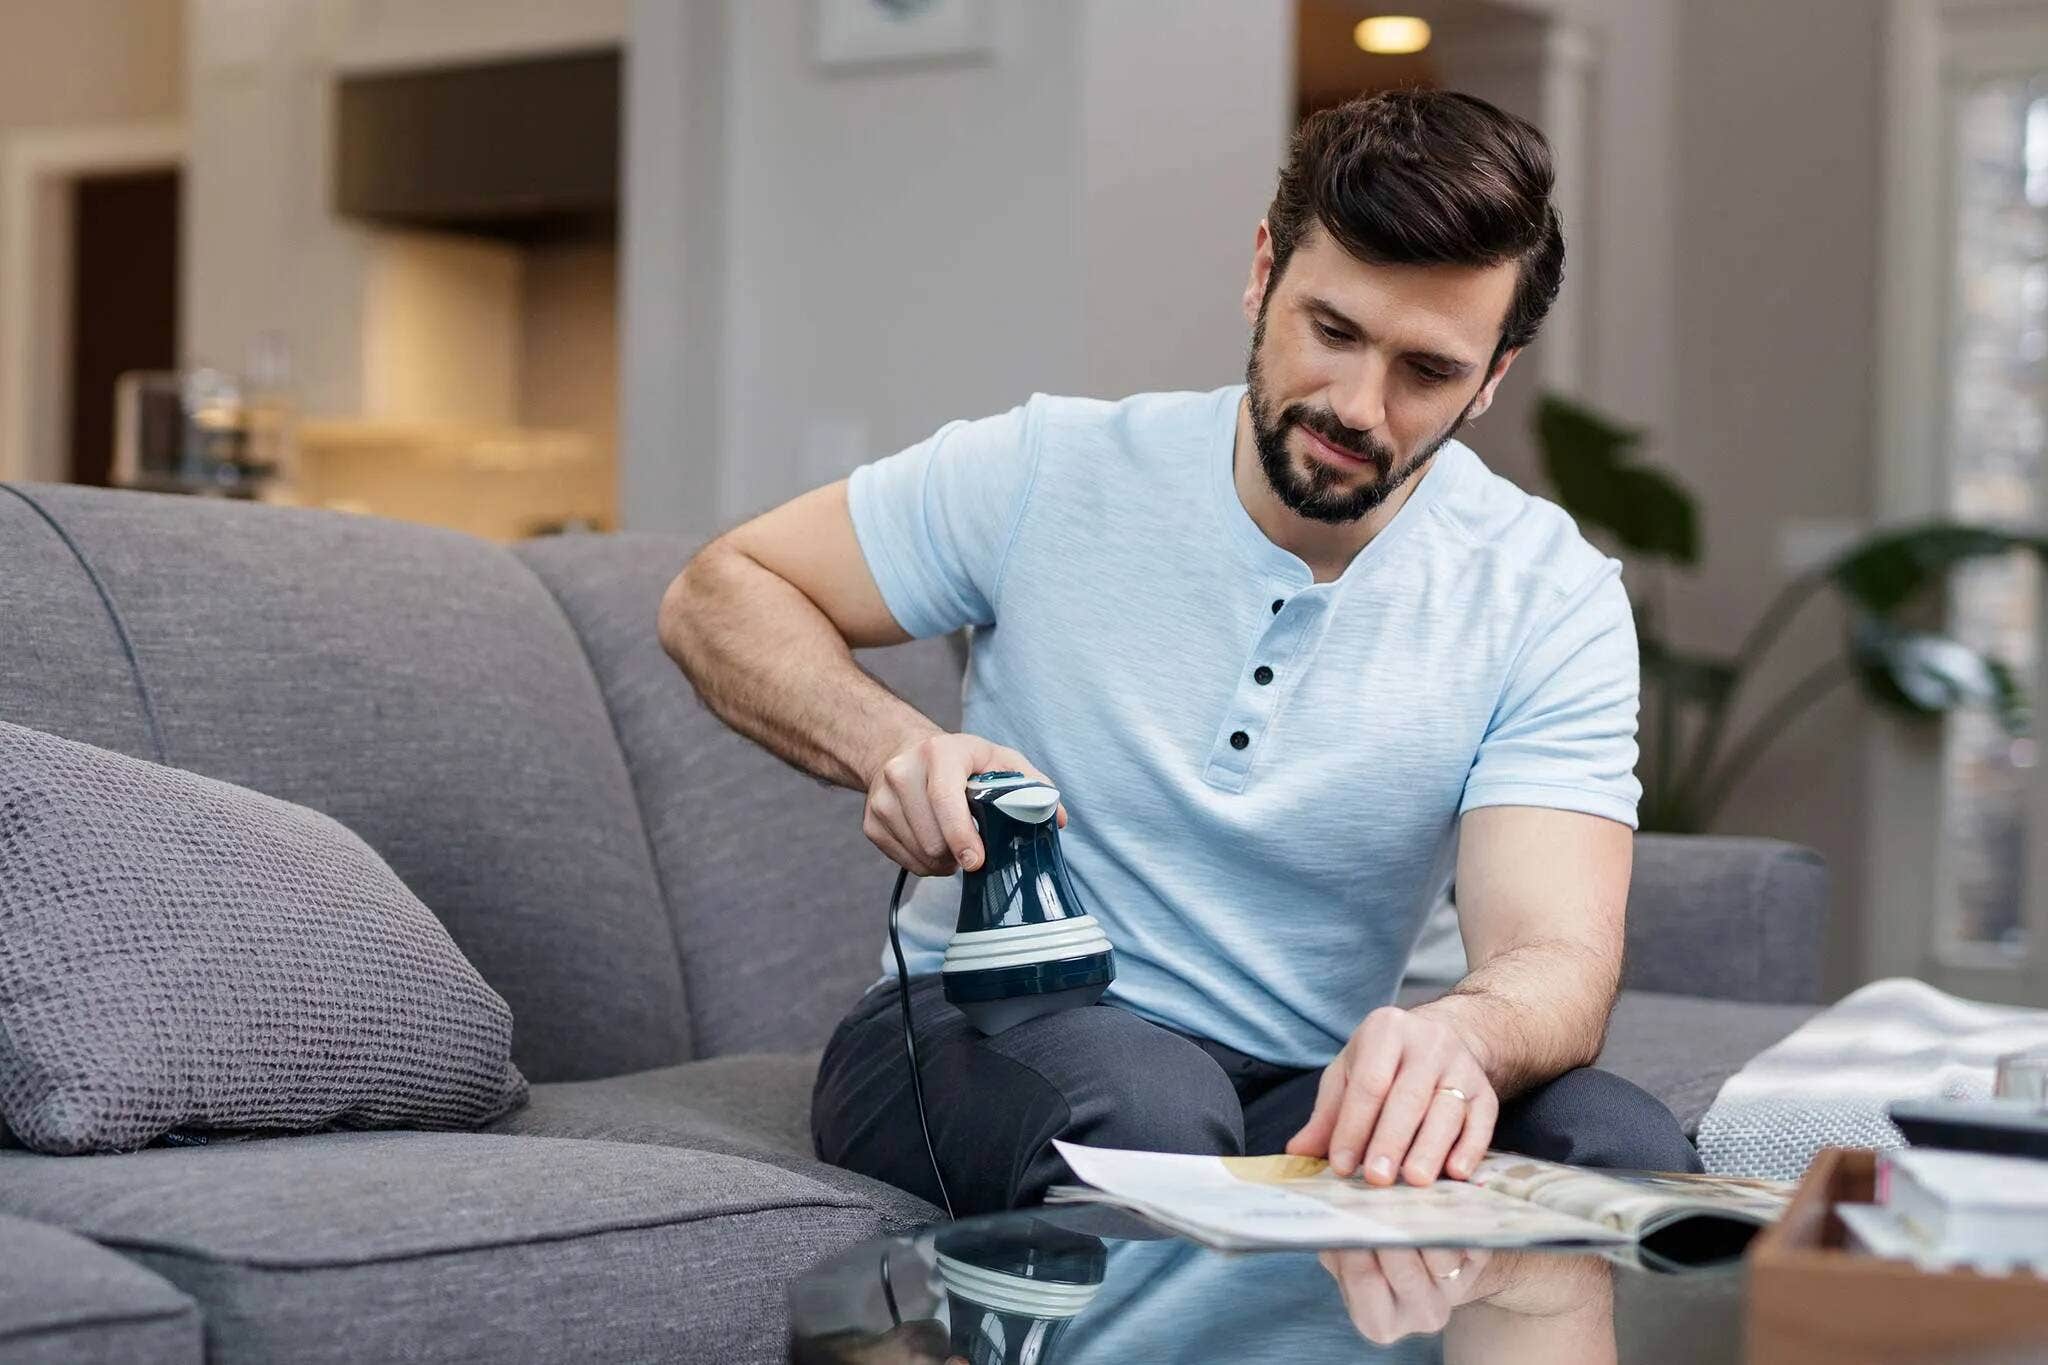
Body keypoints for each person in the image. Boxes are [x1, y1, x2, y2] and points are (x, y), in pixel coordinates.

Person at [659, 87, 1702, 1218]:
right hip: (979, 1032)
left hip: (1294, 1082)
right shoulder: (1050, 469)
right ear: (1263, 273)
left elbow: (1553, 953)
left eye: (1427, 371)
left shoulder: (1545, 593)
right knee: (1150, 1113)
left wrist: (1464, 1035)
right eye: (1332, 331)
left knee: (1611, 1143)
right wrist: (892, 747)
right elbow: (719, 593)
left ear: (1491, 377)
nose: (1358, 406)